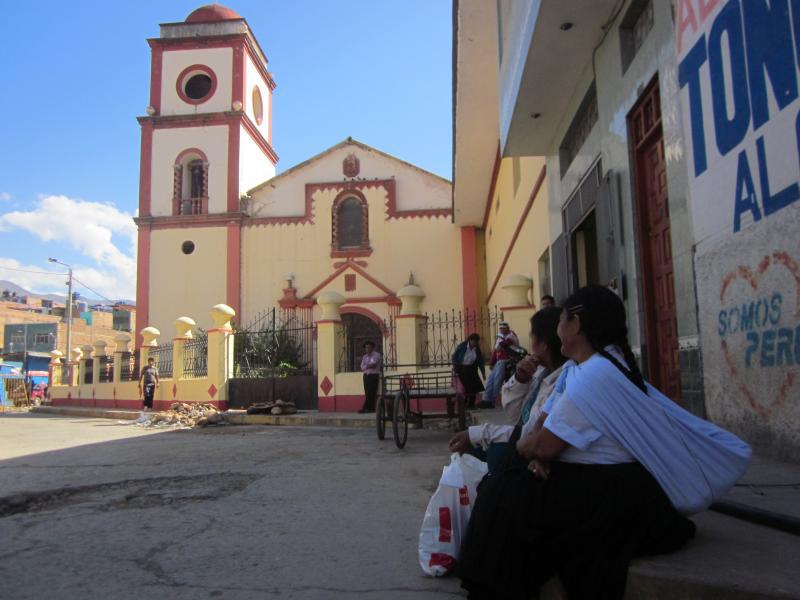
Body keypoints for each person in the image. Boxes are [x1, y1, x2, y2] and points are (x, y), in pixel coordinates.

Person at [456, 285, 751, 599]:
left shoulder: (594, 375)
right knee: (509, 485)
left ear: (576, 325)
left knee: (504, 491)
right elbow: (540, 431)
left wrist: (534, 449)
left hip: (617, 495)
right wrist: (537, 446)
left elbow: (540, 444)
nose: (557, 329)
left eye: (562, 319)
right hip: (614, 485)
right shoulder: (593, 368)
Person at [449, 306, 567, 473]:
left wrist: (478, 434)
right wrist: (520, 380)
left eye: (532, 337)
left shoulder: (564, 380)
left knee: (497, 456)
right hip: (473, 369)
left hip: (539, 455)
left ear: (543, 344)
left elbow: (528, 432)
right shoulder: (540, 373)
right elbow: (514, 415)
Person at [481, 322, 520, 408]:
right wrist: (491, 363)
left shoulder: (511, 335)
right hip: (498, 362)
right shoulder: (500, 337)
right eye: (500, 328)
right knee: (490, 381)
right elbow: (496, 351)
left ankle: (492, 401)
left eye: (503, 328)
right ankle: (486, 400)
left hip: (506, 361)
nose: (501, 330)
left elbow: (505, 344)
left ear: (507, 328)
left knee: (497, 382)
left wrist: (501, 345)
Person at [451, 333, 485, 409]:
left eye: (476, 342)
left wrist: (483, 373)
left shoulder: (477, 348)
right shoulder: (462, 346)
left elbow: (480, 360)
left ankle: (471, 405)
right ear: (470, 340)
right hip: (463, 370)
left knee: (474, 388)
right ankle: (464, 405)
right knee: (465, 389)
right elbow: (454, 357)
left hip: (472, 369)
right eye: (474, 342)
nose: (475, 344)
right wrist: (456, 367)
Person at [358, 341, 382, 413]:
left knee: (371, 392)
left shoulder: (376, 355)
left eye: (368, 347)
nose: (367, 349)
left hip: (373, 375)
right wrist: (367, 366)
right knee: (367, 392)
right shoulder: (365, 356)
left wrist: (366, 366)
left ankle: (365, 408)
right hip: (366, 376)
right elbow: (362, 367)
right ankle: (371, 409)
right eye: (366, 347)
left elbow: (373, 364)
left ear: (372, 347)